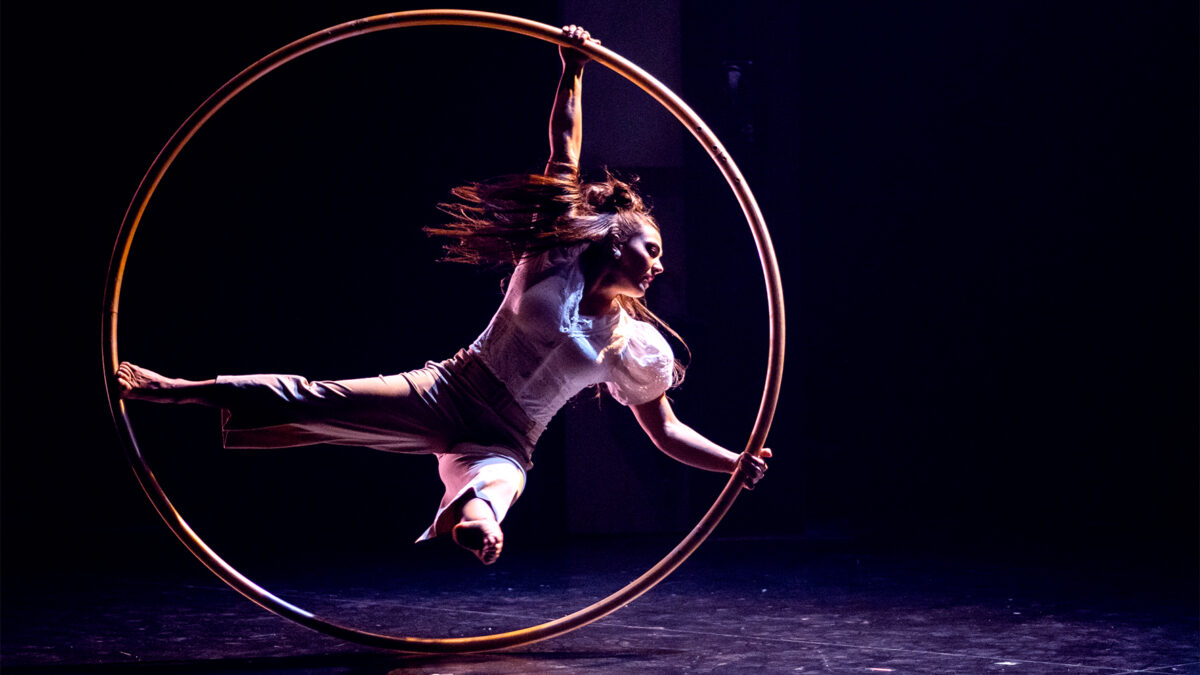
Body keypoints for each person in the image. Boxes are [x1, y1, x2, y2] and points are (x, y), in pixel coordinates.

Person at [117, 25, 770, 565]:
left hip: (510, 438)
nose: (660, 263)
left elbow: (667, 430)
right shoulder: (554, 253)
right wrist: (572, 67)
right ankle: (173, 389)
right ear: (610, 239)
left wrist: (733, 461)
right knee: (318, 397)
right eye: (651, 247)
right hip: (448, 390)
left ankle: (477, 526)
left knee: (496, 483)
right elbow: (563, 157)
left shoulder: (638, 346)